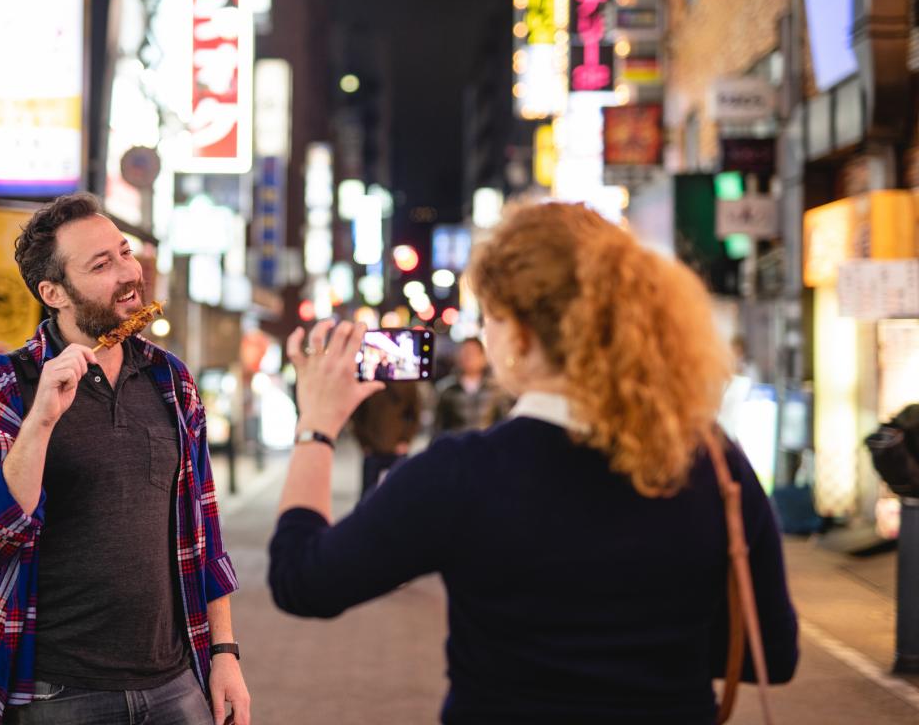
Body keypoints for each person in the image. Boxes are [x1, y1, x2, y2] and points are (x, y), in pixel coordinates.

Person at [268, 201, 798, 724]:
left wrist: (317, 425)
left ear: (518, 333)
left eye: (491, 318)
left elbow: (303, 580)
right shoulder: (713, 461)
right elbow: (771, 654)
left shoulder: (462, 474)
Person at [0, 194, 251, 725]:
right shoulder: (8, 383)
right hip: (58, 691)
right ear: (53, 293)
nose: (128, 273)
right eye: (101, 264)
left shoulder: (172, 381)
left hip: (175, 683)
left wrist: (224, 654)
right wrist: (42, 420)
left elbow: (204, 531)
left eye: (124, 253)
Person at [350, 381, 421, 499]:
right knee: (368, 494)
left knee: (400, 493)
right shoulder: (368, 381)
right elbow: (357, 415)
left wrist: (405, 440)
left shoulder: (406, 383)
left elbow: (414, 414)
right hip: (373, 448)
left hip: (397, 448)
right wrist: (364, 442)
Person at [432, 337, 513, 434]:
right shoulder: (446, 389)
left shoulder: (496, 389)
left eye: (473, 353)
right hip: (457, 446)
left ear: (483, 357)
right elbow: (439, 427)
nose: (468, 358)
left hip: (486, 445)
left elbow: (504, 423)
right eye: (465, 353)